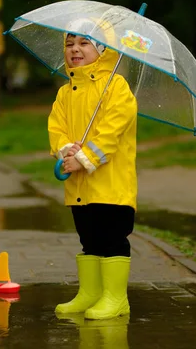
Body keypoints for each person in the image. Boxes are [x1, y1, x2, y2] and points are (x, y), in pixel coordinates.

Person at [48, 18, 138, 320]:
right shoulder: (65, 92)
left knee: (112, 237)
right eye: (70, 43)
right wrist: (65, 150)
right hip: (79, 186)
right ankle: (90, 293)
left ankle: (116, 298)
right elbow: (56, 126)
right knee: (89, 238)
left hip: (111, 185)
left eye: (84, 43)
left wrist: (84, 158)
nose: (75, 49)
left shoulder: (116, 87)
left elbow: (111, 132)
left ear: (102, 49)